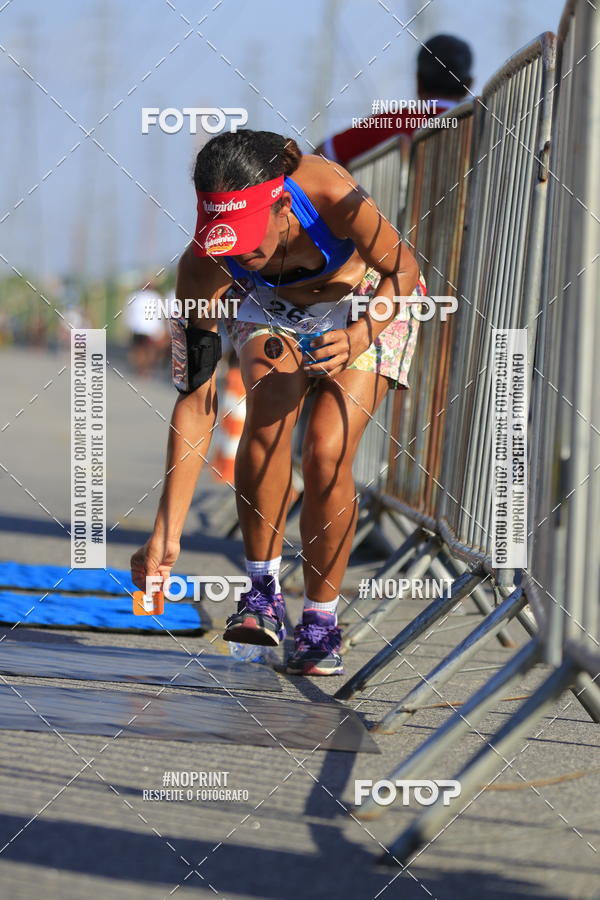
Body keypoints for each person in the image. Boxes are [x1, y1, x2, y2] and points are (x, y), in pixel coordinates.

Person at [131, 129, 426, 676]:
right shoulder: (202, 268)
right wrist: (164, 535)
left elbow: (401, 270)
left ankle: (321, 618)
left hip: (369, 302)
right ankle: (262, 593)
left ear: (283, 202)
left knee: (324, 452)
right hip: (272, 309)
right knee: (267, 420)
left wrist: (362, 335)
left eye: (247, 236)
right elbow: (195, 402)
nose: (238, 252)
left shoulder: (332, 194)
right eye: (225, 240)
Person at [318, 34, 473, 167]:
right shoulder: (484, 127)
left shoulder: (392, 122)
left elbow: (320, 156)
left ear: (418, 81)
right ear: (468, 85)